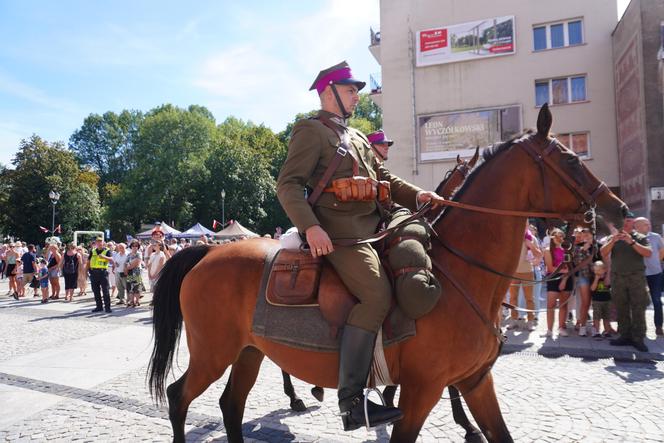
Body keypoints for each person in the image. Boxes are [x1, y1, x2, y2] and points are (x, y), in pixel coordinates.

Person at [276, 61, 445, 431]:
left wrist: (420, 195)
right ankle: (352, 402)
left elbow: (383, 177)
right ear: (328, 91)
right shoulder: (311, 130)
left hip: (375, 225)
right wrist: (312, 227)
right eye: (351, 89)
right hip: (340, 233)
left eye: (356, 90)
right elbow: (288, 186)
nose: (357, 95)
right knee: (376, 296)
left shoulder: (356, 136)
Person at [601, 213, 652, 352]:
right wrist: (613, 241)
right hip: (618, 278)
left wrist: (632, 242)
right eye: (624, 221)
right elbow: (603, 252)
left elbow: (648, 253)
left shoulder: (640, 237)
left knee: (638, 308)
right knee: (621, 307)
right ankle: (624, 335)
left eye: (628, 221)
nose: (625, 223)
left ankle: (638, 338)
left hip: (636, 278)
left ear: (633, 223)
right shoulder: (614, 238)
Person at [506, 223, 542, 331]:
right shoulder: (513, 236)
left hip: (527, 272)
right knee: (513, 298)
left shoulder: (532, 238)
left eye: (525, 225)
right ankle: (513, 320)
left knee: (529, 298)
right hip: (513, 272)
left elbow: (539, 255)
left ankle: (530, 321)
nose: (523, 226)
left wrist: (530, 245)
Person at [633, 217, 664, 336]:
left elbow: (662, 251)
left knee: (656, 300)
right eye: (645, 224)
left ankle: (658, 326)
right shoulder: (633, 238)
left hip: (655, 274)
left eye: (648, 224)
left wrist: (655, 262)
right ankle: (640, 328)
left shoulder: (656, 237)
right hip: (639, 274)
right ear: (637, 226)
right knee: (639, 302)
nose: (648, 226)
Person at [543, 228, 574, 338]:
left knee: (563, 305)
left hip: (566, 278)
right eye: (556, 236)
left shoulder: (567, 250)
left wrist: (564, 279)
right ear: (552, 237)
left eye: (561, 236)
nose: (559, 238)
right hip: (553, 278)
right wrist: (564, 271)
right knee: (550, 305)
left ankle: (561, 327)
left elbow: (569, 268)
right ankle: (549, 330)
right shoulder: (547, 250)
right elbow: (550, 268)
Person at [572, 228, 594, 336]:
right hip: (584, 276)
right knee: (585, 302)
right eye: (584, 235)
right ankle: (582, 326)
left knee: (597, 302)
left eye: (588, 235)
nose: (586, 237)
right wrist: (584, 250)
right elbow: (577, 262)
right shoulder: (578, 247)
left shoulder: (597, 245)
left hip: (598, 277)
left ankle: (596, 327)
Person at [86, 236, 114, 313]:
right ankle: (99, 307)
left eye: (100, 241)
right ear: (96, 243)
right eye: (97, 242)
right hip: (93, 272)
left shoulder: (107, 250)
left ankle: (107, 307)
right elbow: (88, 262)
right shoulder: (93, 251)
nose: (99, 243)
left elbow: (111, 259)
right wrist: (86, 271)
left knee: (105, 291)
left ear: (103, 243)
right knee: (96, 291)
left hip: (103, 273)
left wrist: (103, 256)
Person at [590, 261, 612, 338]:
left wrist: (606, 276)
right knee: (597, 317)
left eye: (599, 270)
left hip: (607, 300)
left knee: (607, 317)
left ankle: (607, 331)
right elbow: (592, 288)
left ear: (604, 270)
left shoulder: (607, 277)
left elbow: (609, 285)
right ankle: (596, 332)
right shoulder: (593, 277)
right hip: (597, 301)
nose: (597, 272)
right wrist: (596, 279)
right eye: (596, 270)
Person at [125, 240, 145, 307]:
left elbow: (137, 263)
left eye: (136, 246)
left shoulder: (139, 254)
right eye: (133, 246)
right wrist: (128, 266)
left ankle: (137, 301)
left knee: (137, 287)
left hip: (136, 273)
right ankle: (132, 301)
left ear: (138, 247)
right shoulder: (128, 254)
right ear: (131, 246)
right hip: (130, 273)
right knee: (130, 288)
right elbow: (125, 264)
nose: (134, 247)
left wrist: (129, 266)